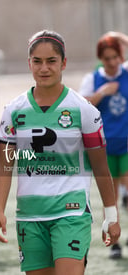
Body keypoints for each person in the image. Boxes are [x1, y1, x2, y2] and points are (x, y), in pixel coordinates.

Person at [0, 30, 121, 275]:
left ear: (63, 63)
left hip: (71, 212)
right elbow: (5, 165)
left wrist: (111, 214)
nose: (44, 68)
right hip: (30, 216)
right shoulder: (13, 111)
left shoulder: (83, 110)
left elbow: (101, 167)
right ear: (29, 63)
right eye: (37, 61)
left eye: (51, 61)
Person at [79, 31, 128, 259]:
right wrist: (102, 93)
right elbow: (81, 106)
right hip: (104, 147)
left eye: (115, 57)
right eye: (106, 58)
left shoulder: (126, 73)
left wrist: (116, 36)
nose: (111, 62)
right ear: (101, 59)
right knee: (111, 199)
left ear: (121, 56)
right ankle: (115, 243)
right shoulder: (94, 79)